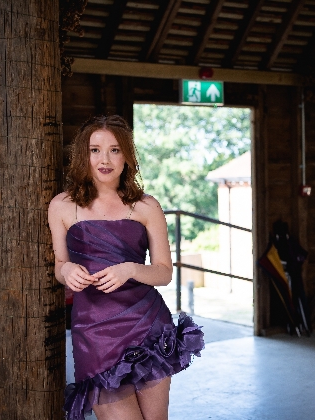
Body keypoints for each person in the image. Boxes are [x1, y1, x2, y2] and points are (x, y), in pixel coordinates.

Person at [48, 115, 204, 420]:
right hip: (94, 330)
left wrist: (130, 269)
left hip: (147, 324)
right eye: (95, 150)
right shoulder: (62, 206)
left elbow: (164, 272)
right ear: (83, 155)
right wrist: (66, 272)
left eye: (114, 150)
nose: (104, 159)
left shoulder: (147, 206)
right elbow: (60, 264)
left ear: (127, 157)